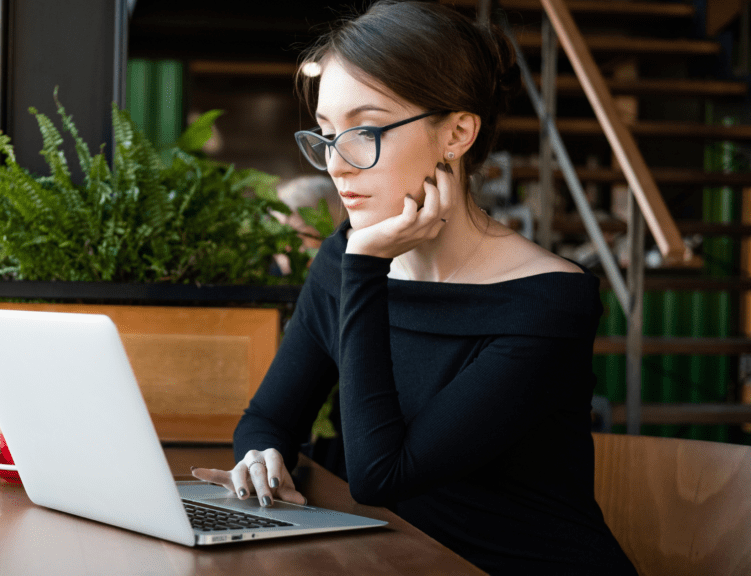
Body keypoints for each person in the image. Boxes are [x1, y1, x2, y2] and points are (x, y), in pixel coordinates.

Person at [192, 1, 637, 573]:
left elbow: (383, 475)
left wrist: (367, 268)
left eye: (365, 131)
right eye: (327, 135)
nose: (337, 165)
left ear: (457, 132)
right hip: (400, 560)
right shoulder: (345, 258)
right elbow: (267, 419)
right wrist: (260, 459)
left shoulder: (548, 300)